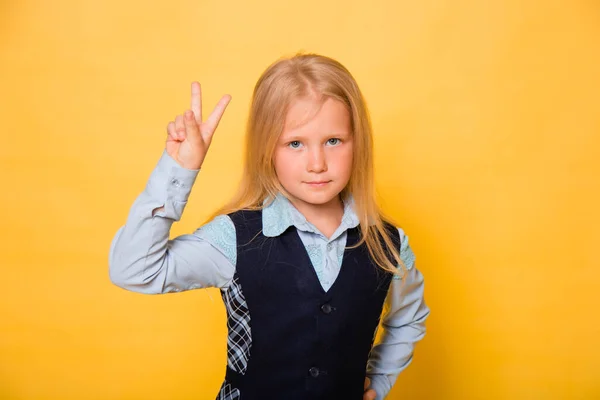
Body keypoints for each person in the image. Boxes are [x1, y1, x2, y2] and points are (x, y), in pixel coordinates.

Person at [109, 53, 430, 400]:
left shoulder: (387, 243)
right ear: (267, 150)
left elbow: (408, 319)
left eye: (333, 141)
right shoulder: (234, 239)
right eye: (295, 144)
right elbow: (134, 270)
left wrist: (377, 382)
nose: (317, 164)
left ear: (358, 142)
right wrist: (178, 170)